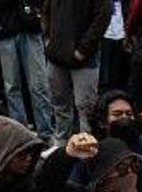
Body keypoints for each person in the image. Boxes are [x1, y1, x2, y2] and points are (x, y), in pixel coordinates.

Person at [43, 0, 111, 140]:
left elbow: (102, 18)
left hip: (84, 59)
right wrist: (48, 39)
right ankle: (61, 144)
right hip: (56, 55)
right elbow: (46, 10)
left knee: (86, 107)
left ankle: (86, 144)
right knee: (59, 104)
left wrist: (83, 50)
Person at [0, 0, 55, 142]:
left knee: (39, 85)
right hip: (5, 28)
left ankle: (46, 133)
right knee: (12, 87)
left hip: (30, 26)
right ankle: (20, 136)